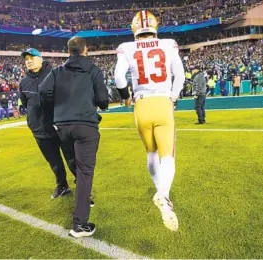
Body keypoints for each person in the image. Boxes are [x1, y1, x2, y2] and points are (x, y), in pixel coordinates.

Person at [114, 10, 185, 232]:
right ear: (155, 26)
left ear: (135, 28)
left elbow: (118, 77)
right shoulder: (168, 44)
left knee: (151, 154)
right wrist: (172, 97)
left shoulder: (127, 48)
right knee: (168, 156)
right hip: (162, 102)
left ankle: (162, 194)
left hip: (141, 105)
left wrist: (126, 97)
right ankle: (163, 194)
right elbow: (180, 76)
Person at [39, 37, 108, 238]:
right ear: (86, 50)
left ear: (68, 51)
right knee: (85, 173)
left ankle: (83, 200)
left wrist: (57, 106)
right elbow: (103, 100)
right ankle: (80, 224)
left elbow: (43, 91)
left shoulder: (57, 71)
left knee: (75, 164)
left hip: (62, 126)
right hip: (86, 126)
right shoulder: (94, 70)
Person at [19, 48, 76, 199]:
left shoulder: (56, 74)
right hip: (40, 129)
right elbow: (26, 103)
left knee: (72, 159)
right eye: (26, 59)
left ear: (40, 58)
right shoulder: (24, 82)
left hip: (60, 126)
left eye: (31, 57)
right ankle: (62, 186)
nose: (29, 61)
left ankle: (83, 186)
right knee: (54, 162)